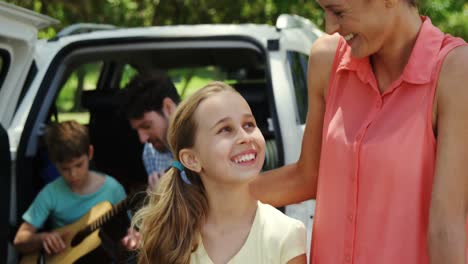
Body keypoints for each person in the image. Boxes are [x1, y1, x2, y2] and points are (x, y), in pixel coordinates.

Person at [250, 0, 468, 263]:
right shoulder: (326, 60)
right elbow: (309, 176)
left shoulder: (455, 71)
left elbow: (446, 228)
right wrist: (206, 196)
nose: (330, 28)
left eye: (338, 12)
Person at [132, 82, 307, 264]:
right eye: (225, 129)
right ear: (191, 159)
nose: (244, 137)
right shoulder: (169, 237)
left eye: (249, 124)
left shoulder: (286, 234)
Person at [13, 121, 129, 258]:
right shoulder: (51, 192)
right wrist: (43, 238)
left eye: (79, 165)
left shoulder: (113, 189)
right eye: (65, 169)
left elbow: (129, 232)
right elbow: (19, 239)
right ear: (54, 163)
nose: (73, 174)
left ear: (90, 153)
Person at [118, 72, 180, 191]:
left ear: (168, 108)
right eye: (137, 130)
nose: (142, 139)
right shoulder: (150, 152)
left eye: (146, 126)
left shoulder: (206, 140)